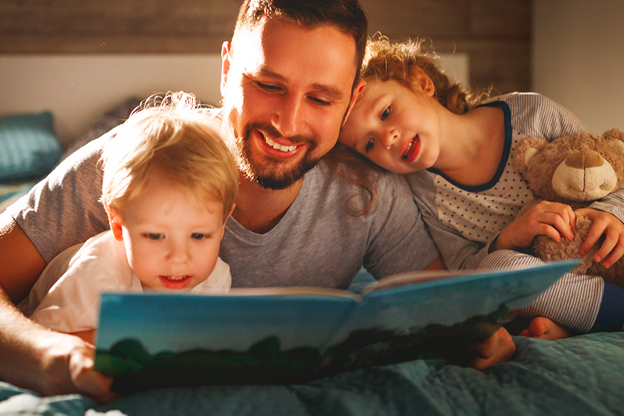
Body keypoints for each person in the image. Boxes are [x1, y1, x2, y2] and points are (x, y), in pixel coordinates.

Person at [0, 0, 514, 401]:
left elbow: (448, 310)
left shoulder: (371, 194)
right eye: (268, 84)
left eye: (320, 98)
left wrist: (477, 333)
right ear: (226, 69)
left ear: (352, 99)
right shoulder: (138, 160)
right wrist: (53, 356)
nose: (288, 124)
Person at [338, 36, 624, 340]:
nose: (387, 139)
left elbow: (608, 166)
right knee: (500, 271)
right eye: (369, 144)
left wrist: (612, 213)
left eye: (385, 113)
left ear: (421, 83)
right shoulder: (423, 194)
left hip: (608, 247)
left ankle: (574, 321)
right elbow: (466, 271)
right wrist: (510, 236)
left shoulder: (533, 112)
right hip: (553, 281)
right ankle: (611, 313)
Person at [18, 92, 237, 346]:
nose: (179, 257)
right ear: (118, 225)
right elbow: (38, 347)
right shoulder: (96, 278)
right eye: (155, 236)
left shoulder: (216, 279)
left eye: (198, 236)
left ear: (222, 224)